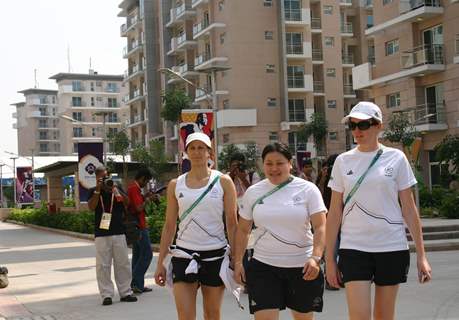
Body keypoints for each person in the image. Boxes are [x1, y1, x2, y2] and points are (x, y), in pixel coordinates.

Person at [325, 101, 432, 319]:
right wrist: (329, 260)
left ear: (378, 126)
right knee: (360, 316)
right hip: (354, 247)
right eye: (352, 126)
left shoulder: (396, 158)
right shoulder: (343, 162)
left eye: (363, 125)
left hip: (391, 246)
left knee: (384, 316)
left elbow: (409, 209)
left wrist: (422, 256)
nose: (357, 131)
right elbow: (334, 212)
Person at [234, 142, 327, 320]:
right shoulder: (254, 192)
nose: (274, 168)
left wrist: (316, 258)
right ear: (262, 165)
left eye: (280, 163)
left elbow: (321, 226)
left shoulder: (308, 189)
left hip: (302, 266)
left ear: (290, 163)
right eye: (269, 163)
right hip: (263, 266)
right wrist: (238, 262)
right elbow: (243, 229)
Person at [154, 132, 238, 320]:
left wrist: (236, 258)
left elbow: (232, 223)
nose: (197, 152)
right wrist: (161, 263)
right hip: (183, 254)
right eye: (192, 148)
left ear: (210, 153)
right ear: (186, 152)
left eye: (201, 148)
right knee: (185, 316)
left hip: (215, 255)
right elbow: (169, 226)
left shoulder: (223, 181)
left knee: (212, 314)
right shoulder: (176, 184)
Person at [88, 166, 137, 306]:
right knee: (103, 265)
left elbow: (128, 204)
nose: (106, 180)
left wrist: (116, 190)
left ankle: (126, 292)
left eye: (107, 176)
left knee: (123, 263)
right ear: (97, 178)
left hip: (119, 231)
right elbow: (91, 207)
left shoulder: (116, 189)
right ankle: (106, 295)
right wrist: (98, 189)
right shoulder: (93, 191)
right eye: (102, 178)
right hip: (102, 233)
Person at [127, 168, 155, 294]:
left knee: (138, 256)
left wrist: (144, 197)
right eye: (147, 180)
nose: (146, 183)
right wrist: (147, 200)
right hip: (139, 227)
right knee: (147, 254)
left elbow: (136, 203)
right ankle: (136, 282)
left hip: (137, 226)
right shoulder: (134, 188)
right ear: (142, 178)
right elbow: (138, 208)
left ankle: (137, 284)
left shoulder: (135, 189)